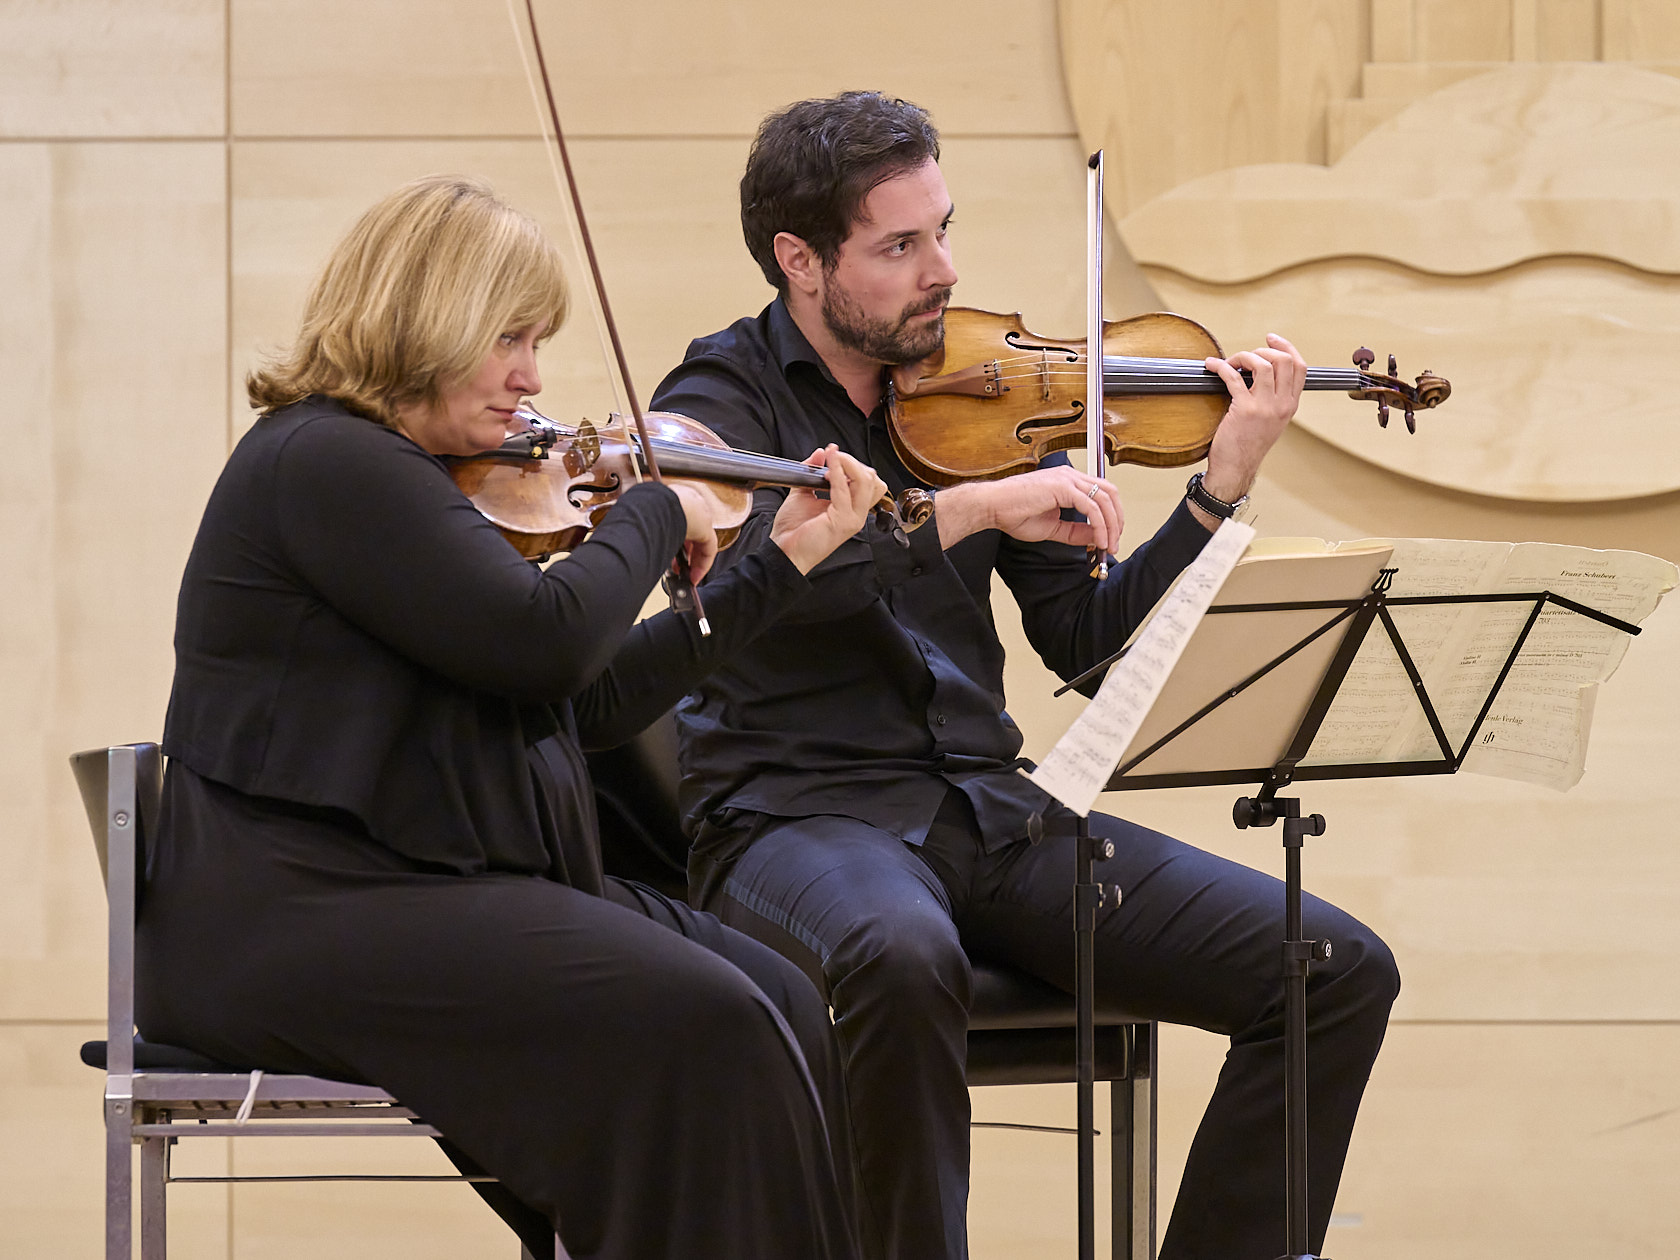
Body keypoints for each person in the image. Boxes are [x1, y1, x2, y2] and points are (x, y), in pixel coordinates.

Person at [650, 92, 1402, 1260]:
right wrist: (967, 510)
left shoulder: (987, 398)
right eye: (900, 246)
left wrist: (1216, 491)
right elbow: (751, 588)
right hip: (794, 817)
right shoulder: (718, 403)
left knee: (1333, 970)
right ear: (800, 260)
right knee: (901, 956)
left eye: (944, 230)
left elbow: (1089, 643)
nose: (943, 271)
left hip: (991, 817)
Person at [136, 173, 887, 1260]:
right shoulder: (326, 459)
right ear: (425, 317)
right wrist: (653, 506)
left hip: (411, 883)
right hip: (295, 909)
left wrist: (783, 564)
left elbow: (582, 701)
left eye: (537, 342)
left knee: (778, 989)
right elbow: (547, 638)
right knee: (705, 1019)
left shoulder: (418, 477)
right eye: (511, 338)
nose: (533, 377)